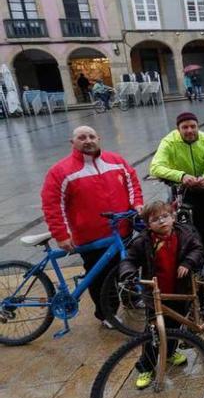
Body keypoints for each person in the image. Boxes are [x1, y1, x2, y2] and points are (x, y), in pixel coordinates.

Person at [41, 126, 144, 327]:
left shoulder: (116, 161)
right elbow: (52, 204)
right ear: (73, 143)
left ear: (99, 138)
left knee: (127, 267)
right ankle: (106, 314)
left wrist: (137, 205)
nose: (87, 140)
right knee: (100, 277)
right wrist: (61, 234)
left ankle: (132, 299)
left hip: (121, 230)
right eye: (81, 137)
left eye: (91, 136)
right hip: (90, 236)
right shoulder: (60, 171)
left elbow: (133, 184)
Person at [118, 200, 204, 390]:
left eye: (165, 216)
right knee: (153, 333)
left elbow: (198, 249)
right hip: (155, 295)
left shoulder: (185, 234)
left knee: (174, 326)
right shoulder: (143, 242)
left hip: (179, 291)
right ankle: (146, 367)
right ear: (148, 224)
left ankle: (170, 352)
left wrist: (188, 263)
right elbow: (129, 260)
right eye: (155, 219)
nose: (161, 222)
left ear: (173, 217)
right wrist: (128, 274)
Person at [149, 112, 204, 257]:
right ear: (178, 129)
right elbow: (155, 167)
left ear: (198, 126)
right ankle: (191, 254)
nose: (189, 131)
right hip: (182, 188)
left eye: (193, 126)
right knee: (186, 225)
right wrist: (181, 176)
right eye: (185, 127)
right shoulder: (169, 142)